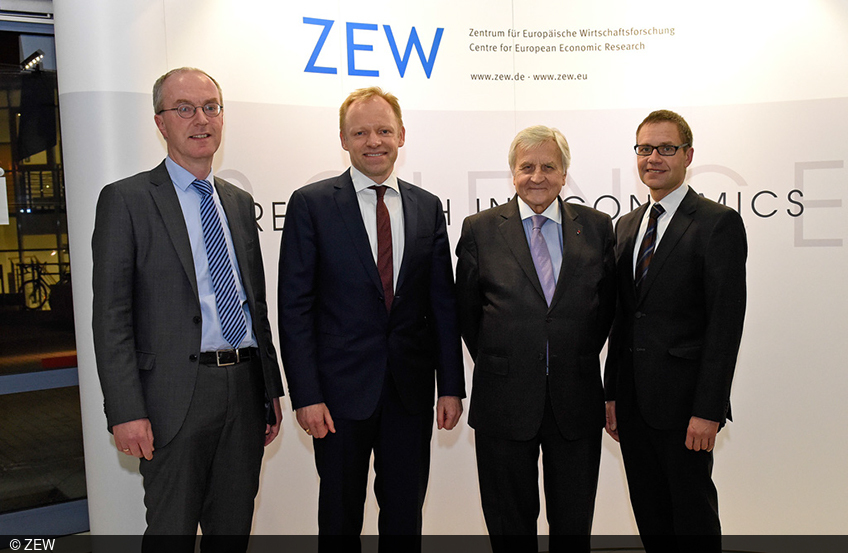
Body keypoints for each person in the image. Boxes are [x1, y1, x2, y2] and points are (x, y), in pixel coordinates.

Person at [92, 67, 284, 551]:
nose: (201, 119)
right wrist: (126, 410)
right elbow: (111, 318)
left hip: (243, 390)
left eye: (211, 107)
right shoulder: (126, 200)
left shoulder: (238, 203)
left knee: (233, 531)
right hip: (171, 400)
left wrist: (270, 389)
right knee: (171, 535)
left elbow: (254, 305)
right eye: (185, 109)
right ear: (160, 122)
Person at [277, 87, 465, 551]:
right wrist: (306, 394)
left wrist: (452, 386)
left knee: (404, 515)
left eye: (383, 130)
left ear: (401, 135)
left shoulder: (426, 206)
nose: (373, 141)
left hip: (410, 393)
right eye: (360, 132)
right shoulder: (312, 204)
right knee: (339, 518)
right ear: (343, 139)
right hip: (338, 397)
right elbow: (294, 308)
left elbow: (442, 303)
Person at [455, 125, 616, 552]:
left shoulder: (598, 228)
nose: (537, 176)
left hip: (576, 401)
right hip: (503, 402)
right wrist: (510, 356)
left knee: (573, 527)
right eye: (527, 167)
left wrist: (570, 351)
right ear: (512, 173)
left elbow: (606, 310)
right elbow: (469, 314)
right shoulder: (481, 229)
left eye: (549, 166)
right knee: (510, 528)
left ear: (565, 174)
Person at [603, 110, 747, 552]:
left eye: (666, 148)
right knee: (651, 517)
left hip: (686, 409)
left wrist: (708, 409)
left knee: (692, 519)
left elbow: (725, 324)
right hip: (632, 406)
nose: (653, 158)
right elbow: (620, 319)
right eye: (645, 149)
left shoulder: (716, 223)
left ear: (688, 155)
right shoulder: (625, 226)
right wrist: (611, 395)